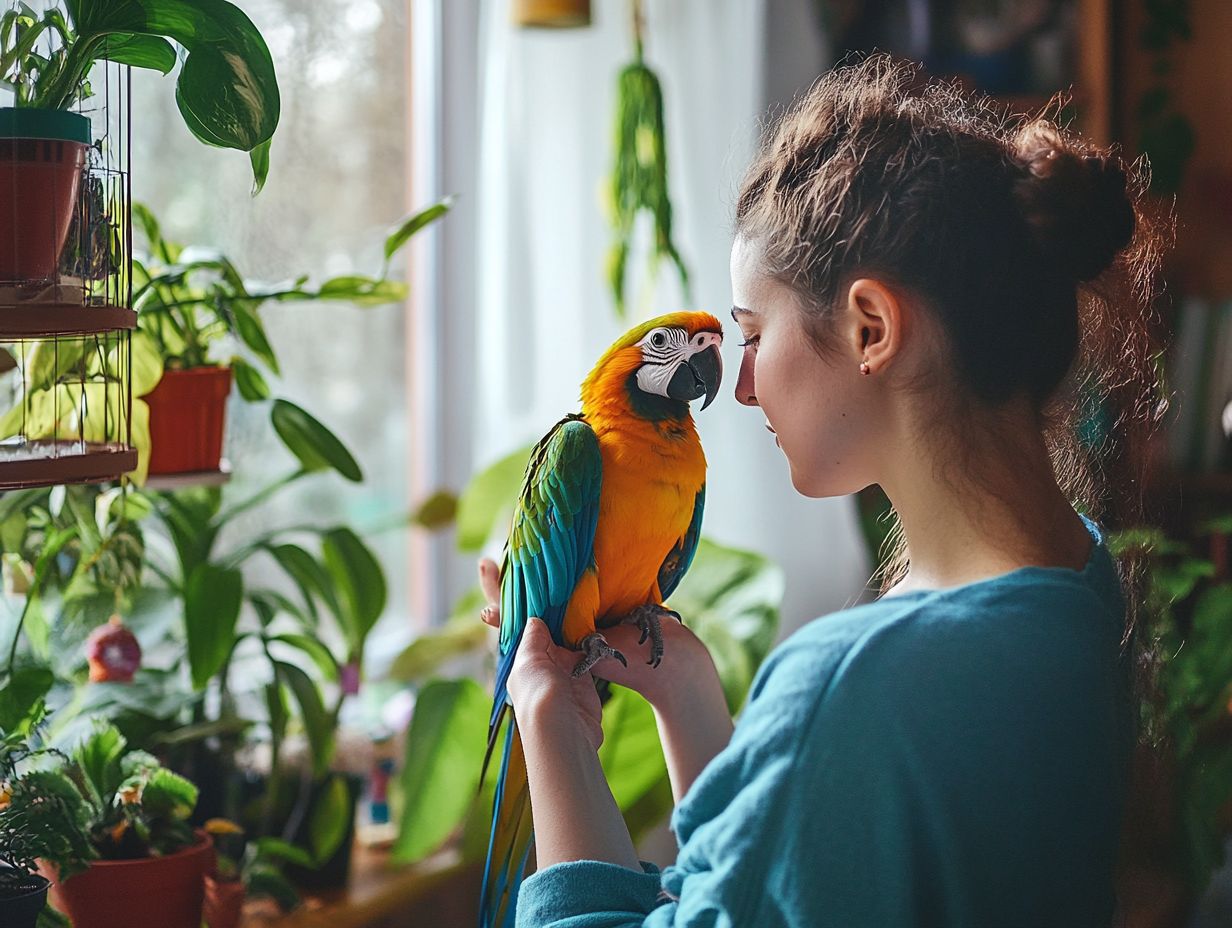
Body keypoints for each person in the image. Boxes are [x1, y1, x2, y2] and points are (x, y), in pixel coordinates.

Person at [476, 52, 1169, 927]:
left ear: (871, 328)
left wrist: (548, 714)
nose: (742, 387)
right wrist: (688, 695)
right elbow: (782, 884)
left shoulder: (850, 681)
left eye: (754, 334)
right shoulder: (1079, 580)